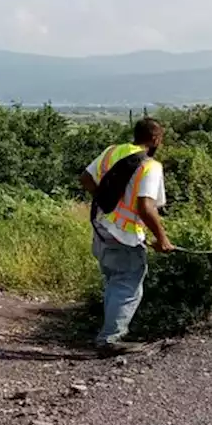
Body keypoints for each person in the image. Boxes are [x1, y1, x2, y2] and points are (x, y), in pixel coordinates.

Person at [79, 117, 174, 356]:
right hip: (125, 236)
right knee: (128, 285)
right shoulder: (151, 166)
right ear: (155, 139)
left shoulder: (113, 151)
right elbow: (146, 206)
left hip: (101, 226)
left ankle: (109, 333)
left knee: (114, 281)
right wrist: (162, 239)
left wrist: (104, 199)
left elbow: (86, 178)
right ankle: (110, 339)